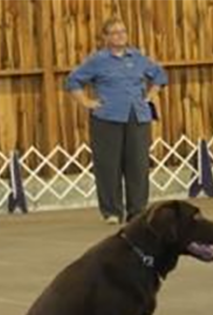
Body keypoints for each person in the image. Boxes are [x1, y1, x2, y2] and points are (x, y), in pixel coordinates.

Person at [66, 17, 168, 224]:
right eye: (114, 32)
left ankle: (137, 211)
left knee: (138, 165)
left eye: (123, 31)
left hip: (137, 117)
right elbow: (73, 81)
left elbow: (159, 75)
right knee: (108, 165)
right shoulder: (97, 60)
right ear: (106, 37)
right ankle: (112, 211)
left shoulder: (138, 57)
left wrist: (150, 96)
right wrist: (86, 102)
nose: (120, 35)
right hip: (107, 118)